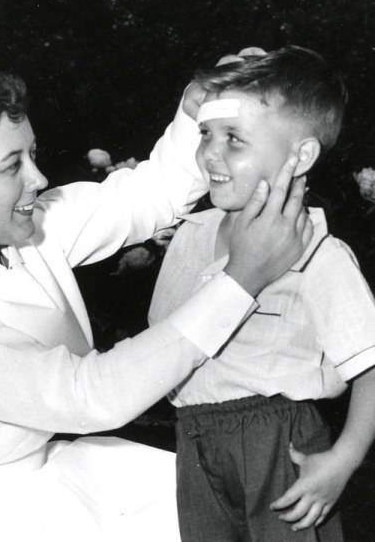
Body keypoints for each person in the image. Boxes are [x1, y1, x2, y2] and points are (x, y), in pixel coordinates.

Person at [0, 57, 310, 541]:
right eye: (12, 166)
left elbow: (146, 198)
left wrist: (194, 109)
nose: (38, 179)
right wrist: (241, 280)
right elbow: (91, 396)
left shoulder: (18, 230)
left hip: (45, 478)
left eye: (32, 154)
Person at [149, 45, 375, 541]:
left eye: (235, 139)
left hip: (277, 440)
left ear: (302, 155)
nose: (210, 153)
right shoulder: (190, 234)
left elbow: (371, 365)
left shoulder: (315, 249)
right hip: (193, 438)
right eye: (207, 133)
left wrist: (343, 458)